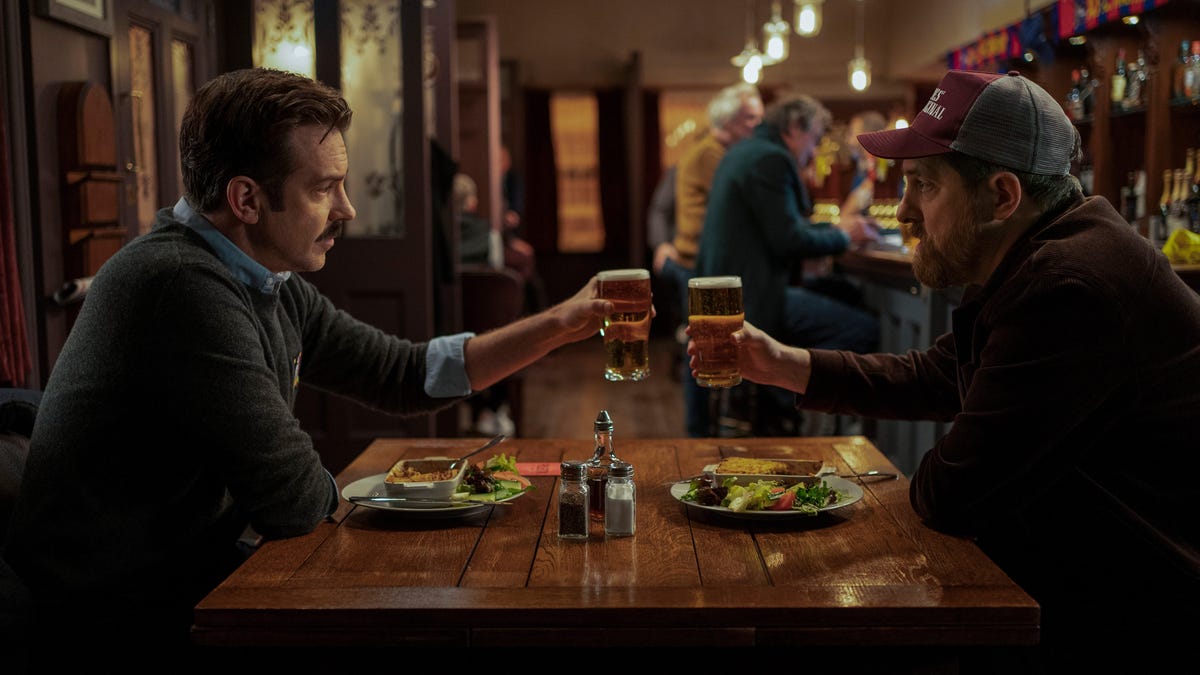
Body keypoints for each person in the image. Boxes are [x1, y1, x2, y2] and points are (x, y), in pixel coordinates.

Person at [2, 68, 619, 670]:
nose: (346, 210)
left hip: (182, 576)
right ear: (246, 198)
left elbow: (404, 374)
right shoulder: (181, 285)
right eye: (324, 188)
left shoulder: (263, 278)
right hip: (112, 619)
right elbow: (293, 501)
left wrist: (559, 324)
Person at [694, 70, 1200, 671]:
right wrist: (782, 363)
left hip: (1146, 608)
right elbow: (939, 374)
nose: (903, 211)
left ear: (1003, 196)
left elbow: (951, 493)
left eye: (923, 186)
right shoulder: (1047, 254)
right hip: (1097, 564)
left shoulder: (1070, 286)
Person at [688, 93, 879, 437]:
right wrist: (844, 237)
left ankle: (785, 405)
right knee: (862, 328)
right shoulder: (770, 158)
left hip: (745, 290)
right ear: (794, 127)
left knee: (845, 292)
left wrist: (836, 231)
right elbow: (789, 240)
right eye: (816, 138)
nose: (815, 150)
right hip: (754, 301)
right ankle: (807, 422)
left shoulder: (747, 152)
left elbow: (785, 226)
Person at [673, 82, 764, 274]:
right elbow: (745, 203)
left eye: (760, 118)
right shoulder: (710, 153)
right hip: (701, 262)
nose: (758, 125)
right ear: (727, 120)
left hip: (708, 257)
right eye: (750, 118)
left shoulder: (719, 151)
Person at [453, 172, 516, 436]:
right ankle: (495, 409)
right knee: (501, 340)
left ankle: (476, 411)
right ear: (472, 203)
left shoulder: (440, 235)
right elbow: (497, 274)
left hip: (452, 319)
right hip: (487, 319)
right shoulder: (488, 233)